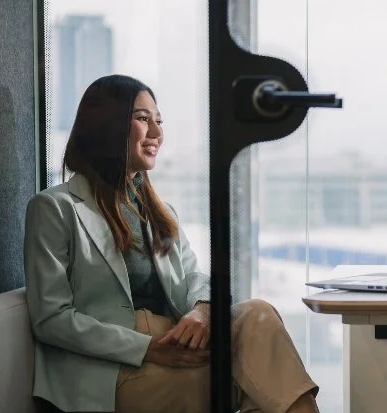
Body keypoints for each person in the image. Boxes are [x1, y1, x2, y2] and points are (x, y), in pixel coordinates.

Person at [24, 74, 320, 413]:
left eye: (159, 121)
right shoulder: (54, 208)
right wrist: (145, 347)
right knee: (258, 383)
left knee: (258, 315)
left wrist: (203, 310)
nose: (156, 133)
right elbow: (51, 319)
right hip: (110, 374)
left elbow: (193, 278)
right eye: (142, 118)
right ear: (107, 125)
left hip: (173, 345)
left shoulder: (160, 213)